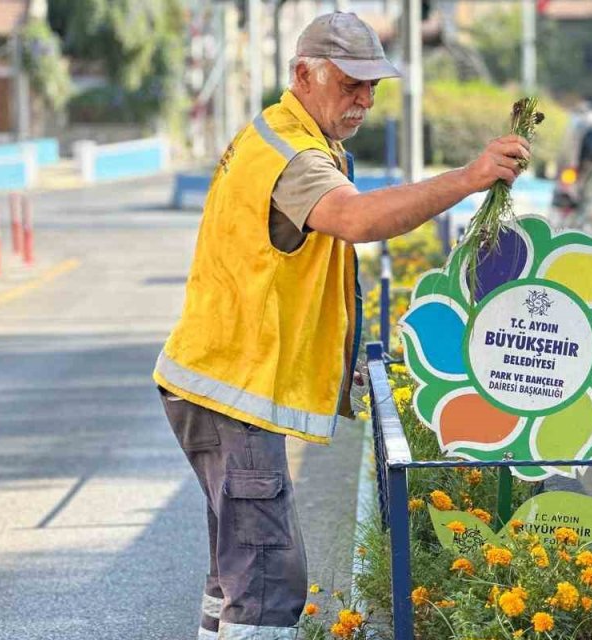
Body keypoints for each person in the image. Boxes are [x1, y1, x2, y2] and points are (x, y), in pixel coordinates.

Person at [153, 12, 530, 639]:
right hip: (230, 389)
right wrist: (468, 178)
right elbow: (355, 220)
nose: (363, 100)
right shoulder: (293, 156)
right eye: (350, 83)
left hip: (213, 381)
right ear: (303, 74)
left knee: (235, 575)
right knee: (269, 580)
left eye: (372, 87)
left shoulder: (284, 137)